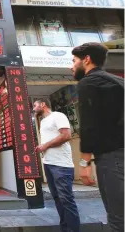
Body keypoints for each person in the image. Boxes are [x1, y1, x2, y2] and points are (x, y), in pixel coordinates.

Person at [71, 42, 124, 232]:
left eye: (74, 60)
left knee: (118, 219)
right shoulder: (118, 81)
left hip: (112, 157)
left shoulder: (89, 82)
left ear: (87, 60)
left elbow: (89, 124)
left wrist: (85, 163)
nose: (72, 66)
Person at [33, 99, 80, 232]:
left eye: (35, 105)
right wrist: (43, 149)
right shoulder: (42, 122)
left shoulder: (58, 116)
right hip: (48, 164)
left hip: (61, 166)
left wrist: (45, 146)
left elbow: (66, 135)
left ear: (43, 104)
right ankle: (65, 229)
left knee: (66, 200)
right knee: (58, 199)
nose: (34, 108)